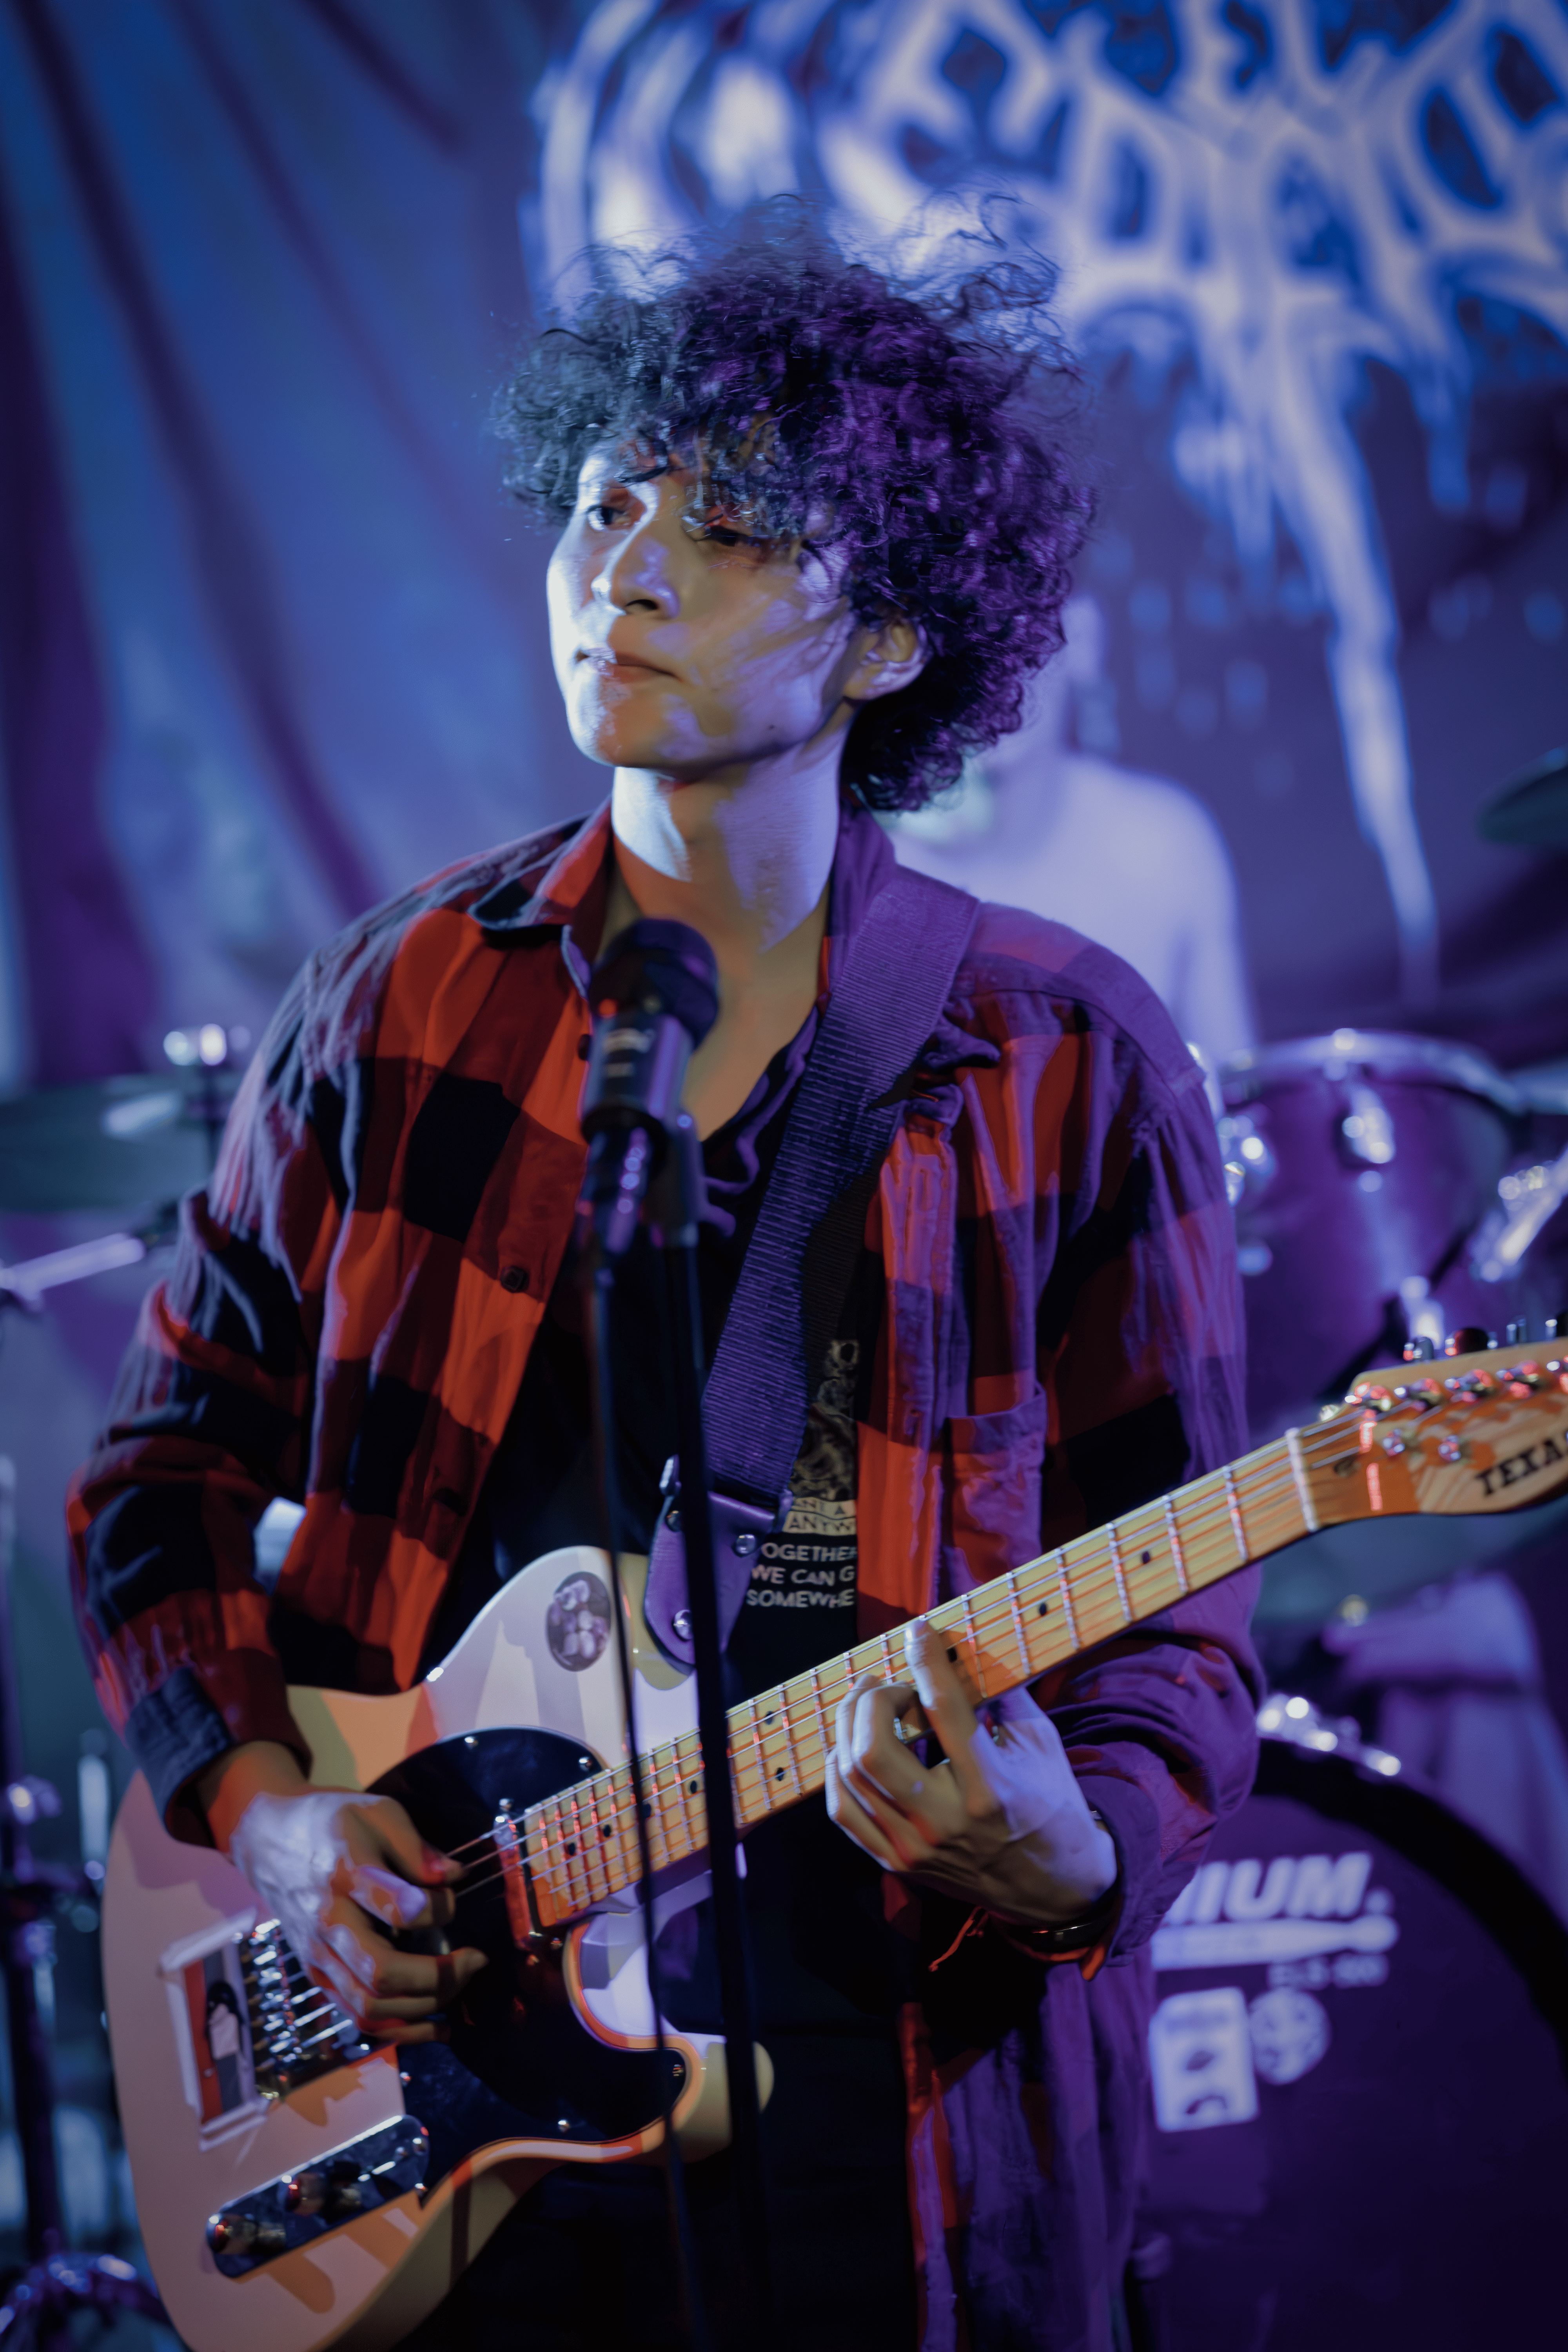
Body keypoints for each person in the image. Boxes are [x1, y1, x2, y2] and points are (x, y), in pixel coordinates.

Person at [69, 212, 1260, 2352]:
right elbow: (159, 1480)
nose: (622, 566)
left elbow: (1180, 1618)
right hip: (452, 2124)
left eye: (724, 530)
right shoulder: (398, 1005)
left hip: (903, 2116)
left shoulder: (1066, 1056)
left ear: (885, 639)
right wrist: (271, 1826)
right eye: (607, 503)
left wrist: (1074, 1854)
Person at [893, 593, 1255, 1077]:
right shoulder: (868, 873)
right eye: (952, 628)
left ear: (1081, 638)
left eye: (1010, 624)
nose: (983, 664)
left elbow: (1237, 1099)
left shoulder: (1165, 843)